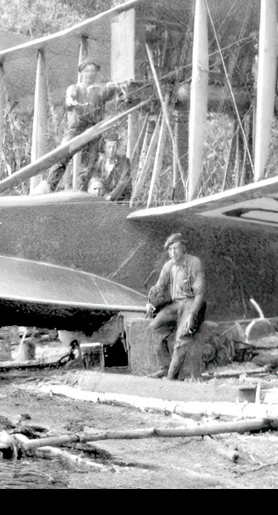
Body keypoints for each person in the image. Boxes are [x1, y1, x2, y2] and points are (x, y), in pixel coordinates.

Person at [44, 60, 125, 192]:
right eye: (87, 71)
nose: (89, 74)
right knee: (61, 157)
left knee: (89, 164)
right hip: (76, 130)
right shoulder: (75, 88)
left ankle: (82, 191)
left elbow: (114, 90)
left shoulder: (99, 90)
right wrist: (72, 102)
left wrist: (117, 86)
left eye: (92, 71)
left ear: (96, 73)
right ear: (81, 72)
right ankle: (48, 186)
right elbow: (69, 98)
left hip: (93, 130)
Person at [147, 232, 206, 380]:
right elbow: (159, 287)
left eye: (176, 248)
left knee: (182, 337)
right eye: (170, 249)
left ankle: (171, 377)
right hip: (177, 304)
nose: (173, 252)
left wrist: (192, 314)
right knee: (156, 326)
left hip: (192, 303)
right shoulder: (169, 266)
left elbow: (200, 293)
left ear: (183, 248)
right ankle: (164, 367)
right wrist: (150, 303)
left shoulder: (194, 262)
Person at [88, 134, 133, 200]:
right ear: (105, 147)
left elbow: (123, 182)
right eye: (109, 147)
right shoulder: (101, 161)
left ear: (117, 147)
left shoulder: (124, 161)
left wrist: (111, 195)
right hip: (103, 197)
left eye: (114, 147)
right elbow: (94, 177)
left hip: (120, 198)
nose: (111, 150)